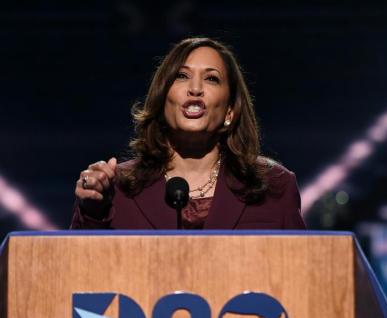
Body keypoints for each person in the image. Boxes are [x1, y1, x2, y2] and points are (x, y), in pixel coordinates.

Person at [70, 37, 306, 230]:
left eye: (212, 79)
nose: (195, 89)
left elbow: (304, 273)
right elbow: (80, 270)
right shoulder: (118, 188)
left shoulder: (274, 186)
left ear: (230, 112)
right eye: (181, 76)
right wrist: (93, 211)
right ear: (163, 100)